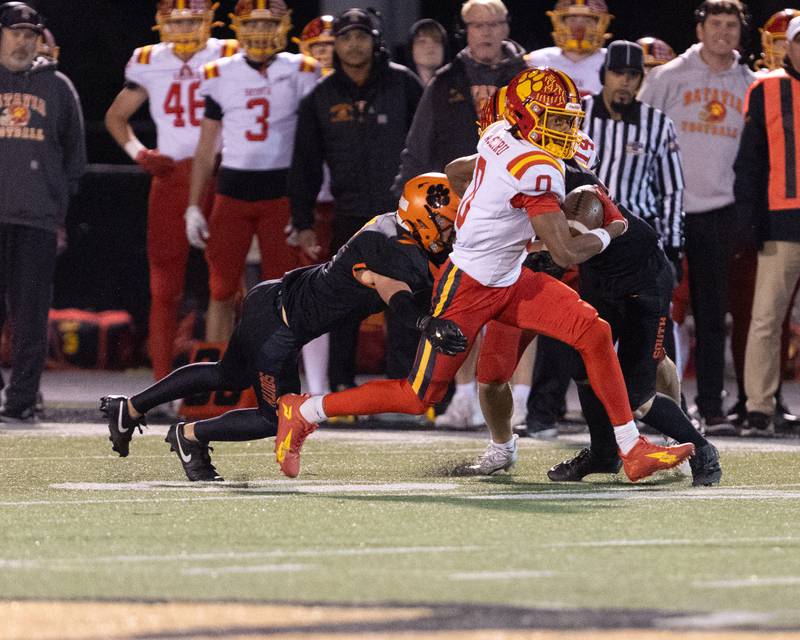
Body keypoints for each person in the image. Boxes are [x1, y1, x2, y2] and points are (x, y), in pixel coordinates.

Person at [275, 67, 695, 483]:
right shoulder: (536, 167)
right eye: (557, 120)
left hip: (511, 277)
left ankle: (632, 448)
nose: (567, 130)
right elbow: (566, 252)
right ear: (526, 117)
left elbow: (458, 170)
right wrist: (609, 230)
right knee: (417, 396)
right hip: (470, 286)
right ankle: (305, 410)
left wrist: (489, 218)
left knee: (593, 331)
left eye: (569, 120)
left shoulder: (501, 135)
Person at [100, 174, 458, 480]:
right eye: (444, 223)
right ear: (422, 217)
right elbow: (391, 290)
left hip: (272, 299)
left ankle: (130, 407)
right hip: (279, 329)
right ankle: (191, 435)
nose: (450, 232)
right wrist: (424, 322)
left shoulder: (393, 227)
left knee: (228, 375)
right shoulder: (392, 248)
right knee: (275, 418)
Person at [523, 41, 686, 439]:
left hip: (636, 248)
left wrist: (675, 245)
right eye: (618, 73)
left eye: (633, 75)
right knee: (567, 326)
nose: (624, 83)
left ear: (640, 79)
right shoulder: (578, 118)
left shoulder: (657, 123)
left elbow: (672, 190)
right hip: (584, 241)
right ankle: (545, 414)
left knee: (652, 346)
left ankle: (676, 418)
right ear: (604, 74)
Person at [394, 0, 526, 427]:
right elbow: (418, 145)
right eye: (477, 26)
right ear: (464, 30)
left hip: (517, 205)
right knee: (461, 301)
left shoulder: (529, 77)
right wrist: (404, 199)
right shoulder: (448, 80)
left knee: (517, 300)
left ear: (506, 26)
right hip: (456, 209)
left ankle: (517, 395)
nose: (486, 33)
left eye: (494, 24)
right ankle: (463, 396)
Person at [289, 7, 424, 397]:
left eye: (361, 36)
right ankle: (341, 385)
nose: (353, 44)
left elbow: (425, 145)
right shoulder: (320, 96)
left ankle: (405, 384)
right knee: (344, 301)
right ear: (336, 45)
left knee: (407, 297)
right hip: (349, 214)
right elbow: (305, 165)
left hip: (402, 213)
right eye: (345, 37)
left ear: (374, 40)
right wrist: (302, 220)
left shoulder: (404, 84)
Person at [105, 0, 238, 382]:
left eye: (193, 22)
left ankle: (234, 381)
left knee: (230, 284)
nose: (184, 31)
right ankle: (162, 383)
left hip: (222, 174)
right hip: (172, 178)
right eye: (176, 24)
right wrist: (140, 153)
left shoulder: (230, 53)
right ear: (162, 25)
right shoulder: (149, 60)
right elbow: (117, 116)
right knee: (164, 287)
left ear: (209, 22)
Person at [638, 0, 755, 431]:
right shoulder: (668, 77)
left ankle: (711, 407)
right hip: (663, 208)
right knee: (653, 311)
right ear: (700, 29)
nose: (724, 33)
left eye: (732, 25)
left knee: (712, 314)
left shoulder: (751, 83)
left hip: (719, 212)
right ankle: (654, 403)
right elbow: (639, 132)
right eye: (716, 24)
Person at [185, 0, 320, 343]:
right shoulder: (219, 72)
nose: (261, 32)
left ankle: (275, 373)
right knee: (221, 289)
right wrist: (193, 205)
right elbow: (206, 148)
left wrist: (305, 204)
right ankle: (218, 375)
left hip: (280, 192)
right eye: (253, 24)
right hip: (231, 190)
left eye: (268, 24)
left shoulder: (302, 69)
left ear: (284, 27)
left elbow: (313, 143)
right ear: (239, 27)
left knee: (282, 291)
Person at [0, 2, 86, 423]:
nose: (22, 41)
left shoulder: (58, 87)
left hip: (36, 219)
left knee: (31, 317)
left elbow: (75, 157)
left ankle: (21, 401)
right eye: (15, 32)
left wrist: (58, 210)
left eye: (29, 34)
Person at [735, 16, 800, 437]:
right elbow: (750, 164)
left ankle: (764, 404)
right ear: (789, 47)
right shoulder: (766, 88)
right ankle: (758, 406)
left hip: (783, 217)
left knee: (766, 318)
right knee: (766, 318)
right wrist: (750, 222)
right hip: (783, 219)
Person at [525, 0, 613, 96]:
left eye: (588, 20)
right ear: (559, 22)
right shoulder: (535, 61)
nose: (579, 27)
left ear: (601, 24)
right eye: (572, 20)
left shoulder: (612, 61)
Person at [406, 18, 448, 86]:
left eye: (437, 41)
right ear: (411, 49)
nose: (430, 46)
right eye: (422, 41)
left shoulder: (457, 88)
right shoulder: (398, 89)